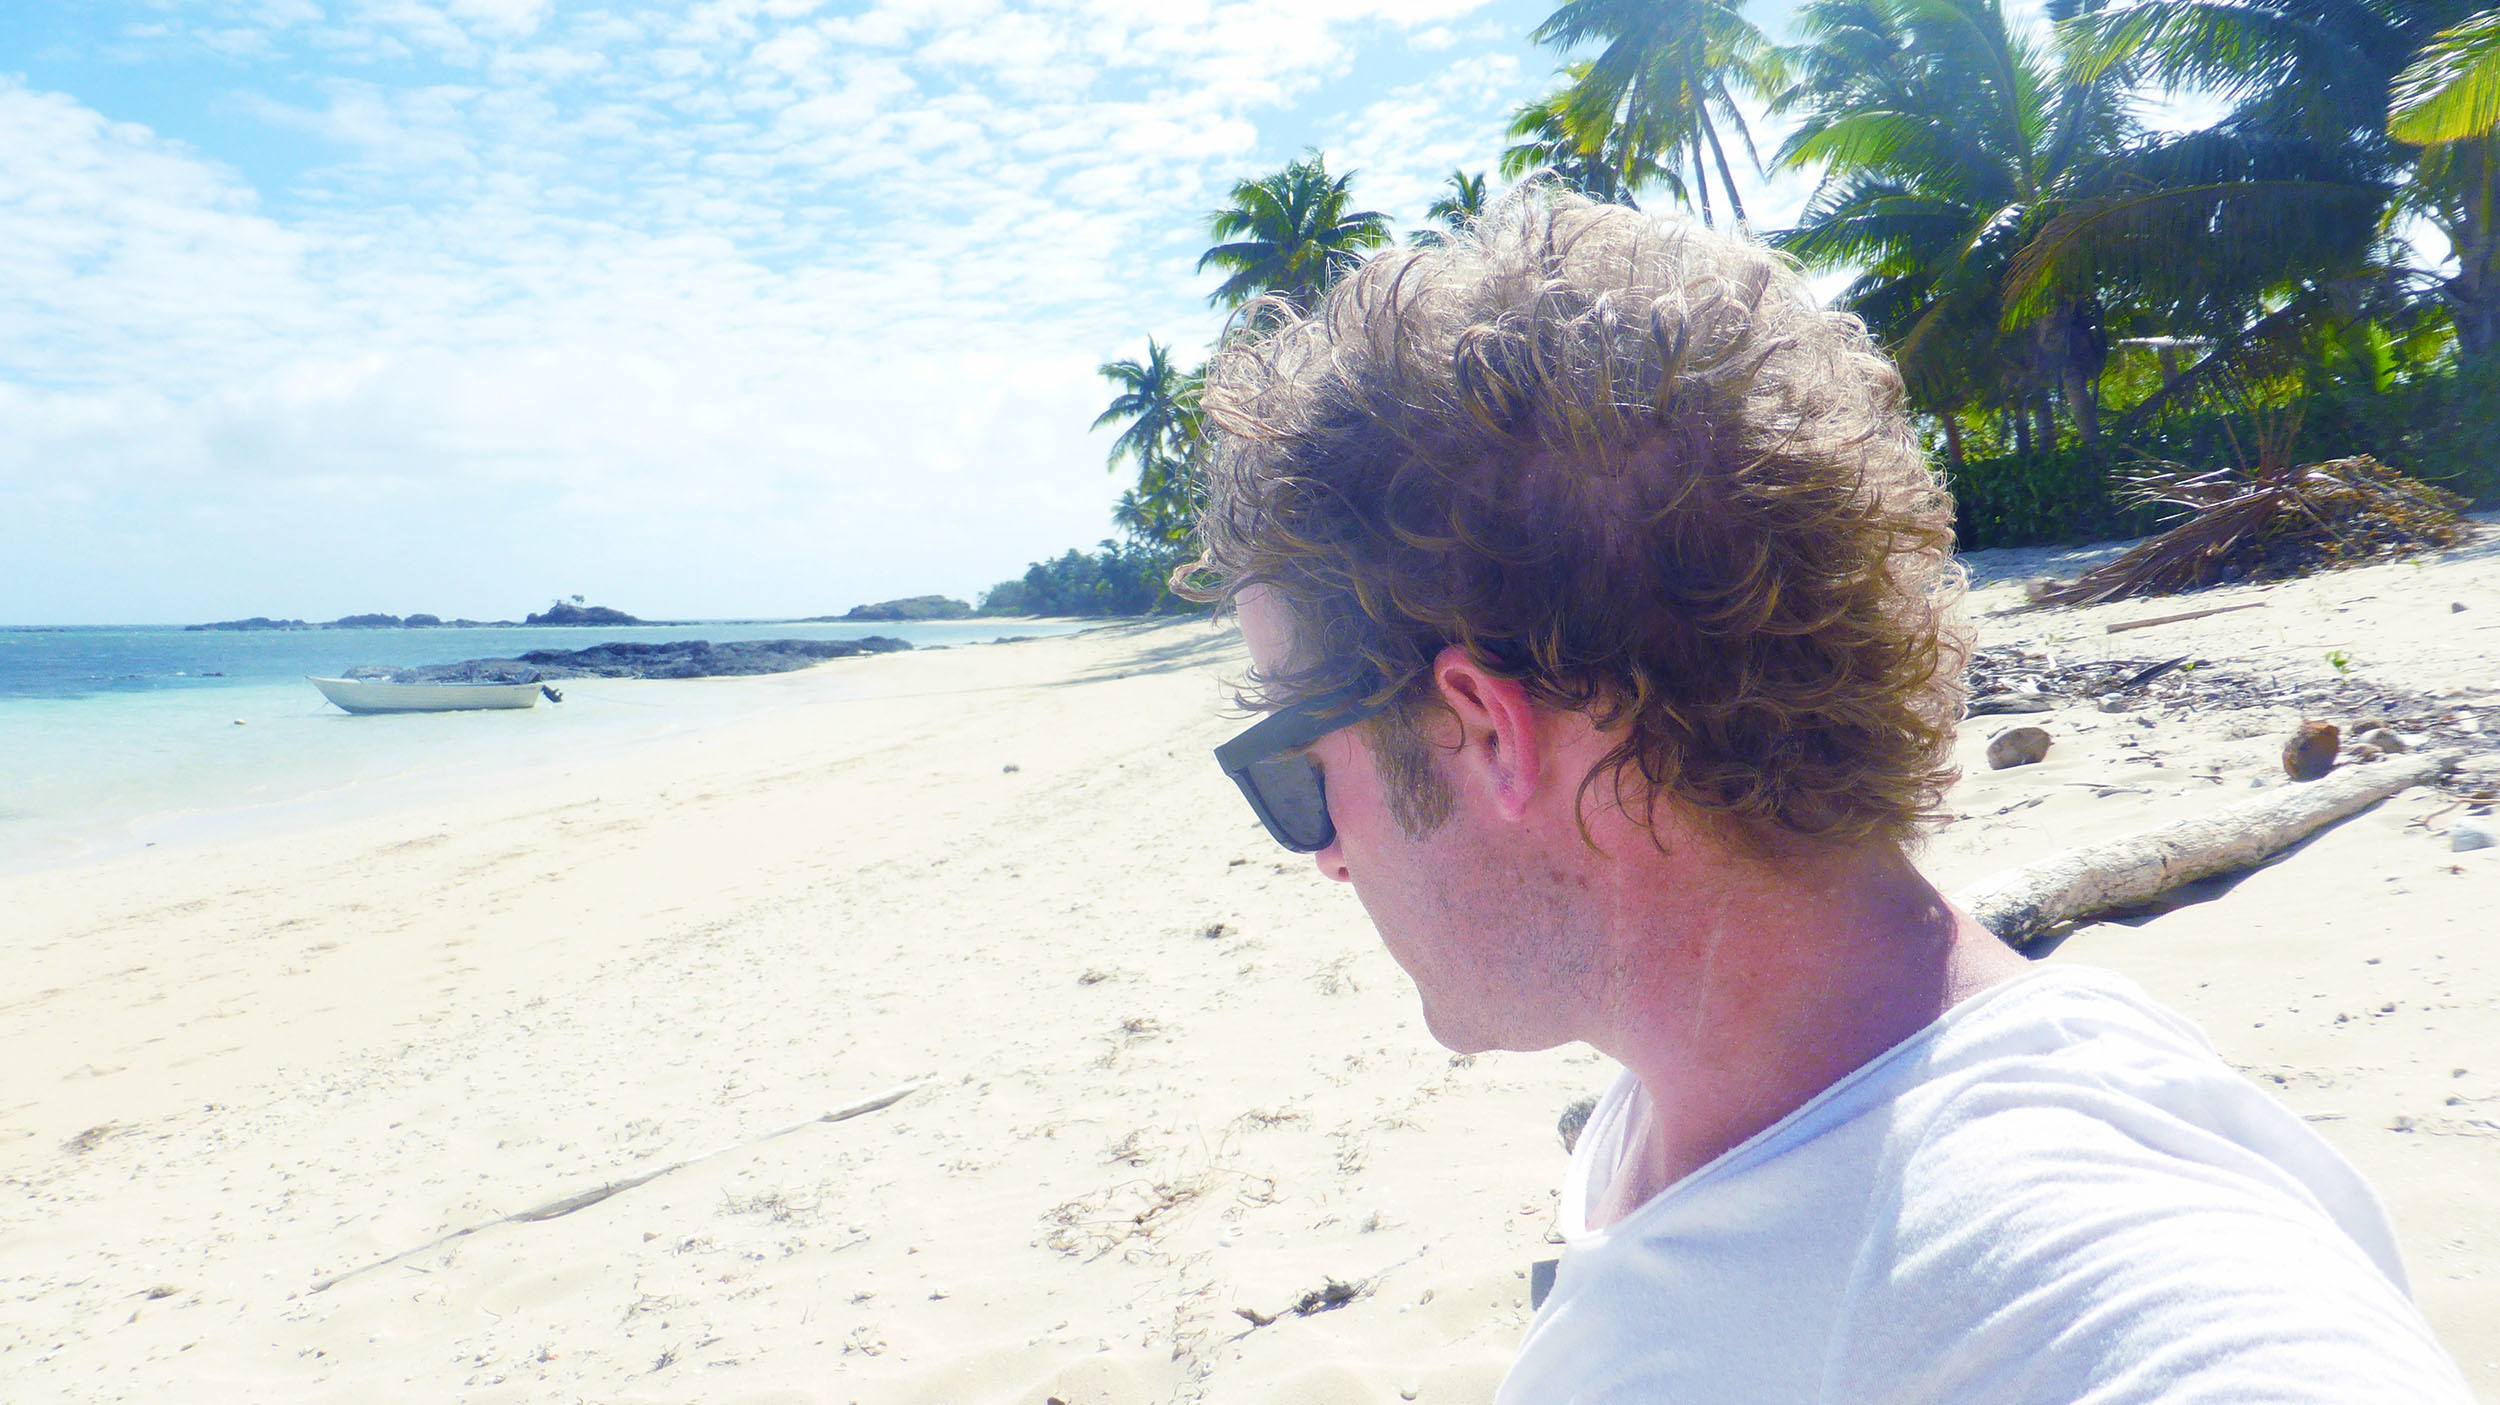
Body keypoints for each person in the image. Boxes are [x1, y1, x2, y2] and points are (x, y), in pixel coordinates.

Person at [1178, 192, 2472, 1402]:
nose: (1326, 855)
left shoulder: (2080, 1259)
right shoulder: (1684, 1097)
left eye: (1296, 766)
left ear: (1484, 728)